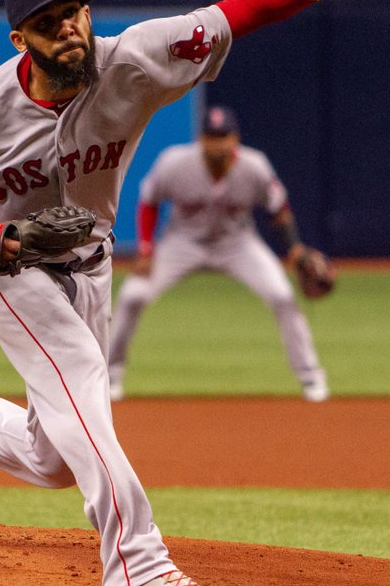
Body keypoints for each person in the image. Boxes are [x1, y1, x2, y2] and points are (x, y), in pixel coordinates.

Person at [0, 0, 390, 586]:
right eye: (50, 19)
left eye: (75, 10)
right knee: (82, 377)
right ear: (20, 39)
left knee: (56, 454)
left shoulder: (136, 58)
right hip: (3, 264)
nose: (69, 26)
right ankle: (135, 561)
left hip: (88, 261)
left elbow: (249, 8)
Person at [107, 106, 330, 403]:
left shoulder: (255, 166)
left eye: (224, 136)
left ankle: (311, 376)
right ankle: (111, 375)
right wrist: (146, 249)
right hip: (181, 244)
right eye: (212, 137)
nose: (218, 143)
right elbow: (149, 201)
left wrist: (295, 247)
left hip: (237, 244)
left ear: (235, 138)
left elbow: (279, 209)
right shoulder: (174, 163)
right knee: (133, 295)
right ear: (201, 139)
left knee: (282, 295)